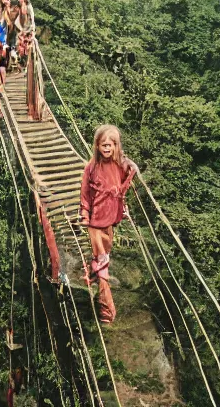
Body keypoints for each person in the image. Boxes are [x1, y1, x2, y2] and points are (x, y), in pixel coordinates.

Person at [79, 125, 138, 324]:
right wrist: (84, 213)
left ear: (115, 146)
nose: (106, 149)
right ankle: (106, 306)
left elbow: (128, 174)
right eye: (103, 145)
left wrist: (129, 167)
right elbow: (85, 192)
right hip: (96, 215)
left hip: (111, 213)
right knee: (101, 252)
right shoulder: (91, 167)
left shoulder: (119, 165)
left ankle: (95, 271)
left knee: (106, 247)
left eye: (110, 146)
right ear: (97, 146)